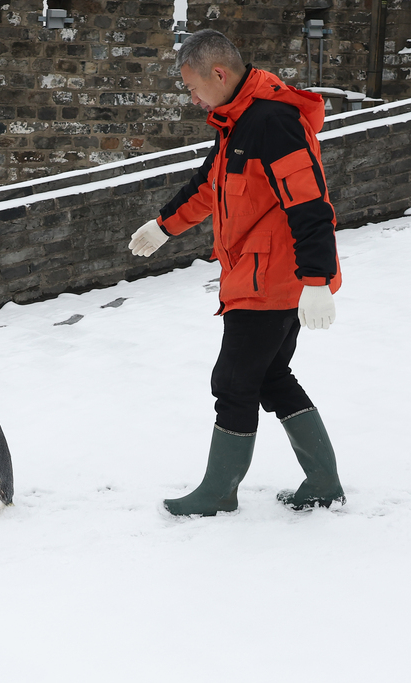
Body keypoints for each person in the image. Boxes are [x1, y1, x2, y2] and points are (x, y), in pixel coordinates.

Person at [128, 29, 346, 516]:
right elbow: (210, 185)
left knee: (233, 382)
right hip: (257, 275)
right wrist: (166, 226)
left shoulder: (273, 122)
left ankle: (219, 491)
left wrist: (316, 279)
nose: (192, 97)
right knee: (270, 377)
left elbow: (311, 202)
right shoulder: (239, 121)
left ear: (219, 73)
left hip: (273, 281)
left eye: (193, 86)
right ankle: (324, 481)